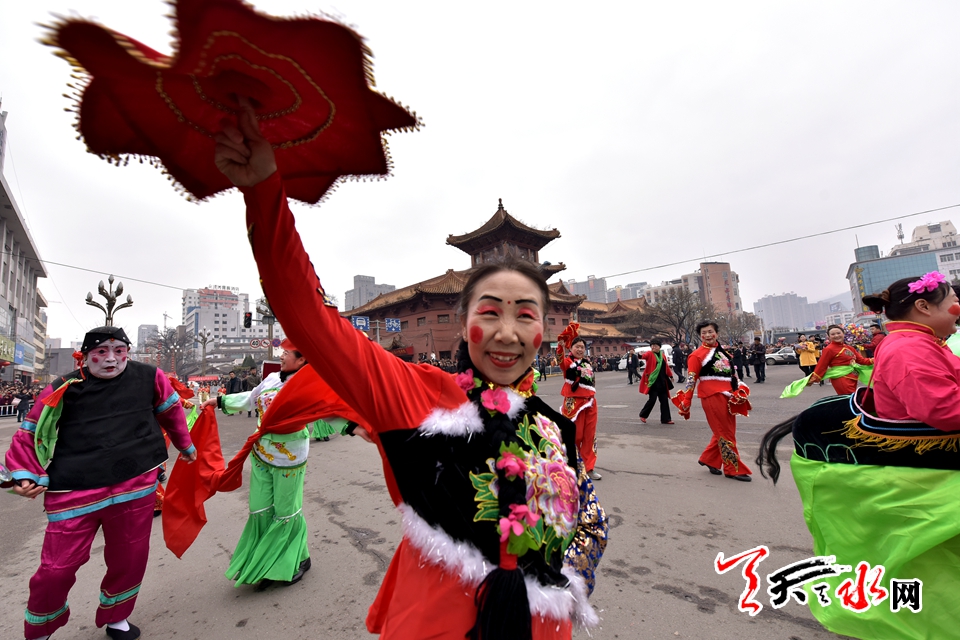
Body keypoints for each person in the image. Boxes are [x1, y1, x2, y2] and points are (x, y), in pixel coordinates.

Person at [213, 104, 607, 639]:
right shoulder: (419, 397)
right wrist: (264, 189)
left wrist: (568, 582)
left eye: (526, 315)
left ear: (545, 328)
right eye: (489, 312)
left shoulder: (552, 425)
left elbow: (589, 521)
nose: (507, 333)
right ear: (463, 322)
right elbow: (308, 315)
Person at [757, 273, 960, 639]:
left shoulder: (922, 342)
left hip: (855, 379)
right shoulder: (907, 348)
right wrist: (815, 375)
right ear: (923, 306)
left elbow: (865, 359)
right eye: (951, 302)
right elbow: (943, 408)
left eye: (839, 334)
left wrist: (862, 362)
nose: (957, 307)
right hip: (852, 387)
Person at [3, 326, 195, 640]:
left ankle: (117, 617)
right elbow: (30, 432)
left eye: (119, 351)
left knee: (130, 558)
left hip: (135, 484)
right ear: (84, 356)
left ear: (128, 352)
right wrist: (24, 474)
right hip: (76, 490)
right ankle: (40, 629)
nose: (111, 359)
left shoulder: (150, 376)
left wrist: (185, 445)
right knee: (55, 570)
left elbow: (171, 412)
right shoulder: (63, 386)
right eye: (101, 352)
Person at [202, 341, 314, 589]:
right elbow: (251, 399)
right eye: (282, 352)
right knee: (259, 508)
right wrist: (218, 401)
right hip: (262, 451)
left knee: (286, 511)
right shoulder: (272, 378)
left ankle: (298, 559)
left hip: (290, 456)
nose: (281, 356)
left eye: (286, 353)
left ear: (302, 359)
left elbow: (333, 408)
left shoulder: (311, 384)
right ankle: (265, 560)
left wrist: (356, 426)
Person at [673, 321, 752, 481]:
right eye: (704, 333)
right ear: (700, 336)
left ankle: (709, 459)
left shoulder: (723, 352)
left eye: (710, 331)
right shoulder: (696, 355)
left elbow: (732, 374)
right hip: (711, 396)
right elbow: (691, 380)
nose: (708, 335)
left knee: (725, 431)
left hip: (729, 396)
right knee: (725, 432)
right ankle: (732, 468)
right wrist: (687, 400)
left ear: (717, 333)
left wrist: (739, 389)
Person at [560, 333, 601, 481]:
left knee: (589, 436)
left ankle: (588, 468)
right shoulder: (567, 362)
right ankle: (571, 465)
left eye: (582, 347)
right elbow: (560, 361)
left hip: (590, 402)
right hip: (574, 403)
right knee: (575, 435)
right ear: (571, 348)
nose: (580, 349)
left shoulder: (587, 363)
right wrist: (560, 347)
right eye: (577, 347)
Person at [807, 325, 873, 395]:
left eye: (838, 333)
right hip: (840, 377)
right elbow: (822, 365)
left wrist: (876, 359)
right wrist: (814, 378)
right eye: (833, 334)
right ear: (829, 337)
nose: (836, 335)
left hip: (852, 376)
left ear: (843, 334)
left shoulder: (850, 348)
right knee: (847, 397)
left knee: (852, 397)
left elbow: (862, 361)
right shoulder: (828, 349)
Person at [638, 338, 674, 424]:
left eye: (655, 345)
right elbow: (643, 356)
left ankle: (666, 419)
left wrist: (671, 375)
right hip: (653, 381)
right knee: (652, 400)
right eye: (652, 346)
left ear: (659, 347)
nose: (653, 347)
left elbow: (666, 367)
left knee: (664, 400)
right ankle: (643, 415)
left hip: (662, 381)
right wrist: (640, 355)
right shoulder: (650, 354)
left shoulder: (663, 356)